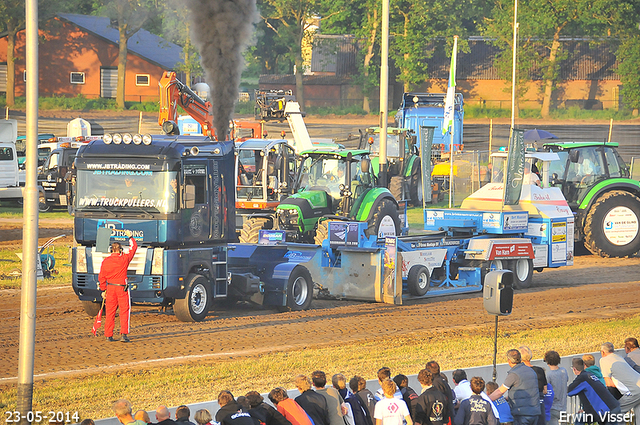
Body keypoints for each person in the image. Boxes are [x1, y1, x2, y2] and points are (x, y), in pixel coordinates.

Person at [98, 229, 137, 342]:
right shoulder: (124, 259)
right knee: (124, 311)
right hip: (121, 288)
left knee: (110, 312)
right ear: (120, 250)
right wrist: (130, 237)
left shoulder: (106, 261)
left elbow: (101, 277)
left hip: (110, 288)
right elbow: (133, 248)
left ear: (111, 250)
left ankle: (108, 335)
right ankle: (123, 334)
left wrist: (103, 289)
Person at [489, 349, 540, 425]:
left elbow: (500, 391)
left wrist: (486, 400)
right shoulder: (531, 370)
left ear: (509, 360)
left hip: (522, 413)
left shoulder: (514, 374)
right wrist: (508, 398)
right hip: (535, 411)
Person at [567, 358, 620, 425]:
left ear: (574, 369)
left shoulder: (582, 378)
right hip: (613, 406)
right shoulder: (590, 375)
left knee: (580, 418)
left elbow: (570, 391)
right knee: (580, 418)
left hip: (606, 410)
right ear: (584, 365)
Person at [599, 342, 640, 414]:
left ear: (602, 352)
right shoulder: (619, 357)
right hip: (637, 384)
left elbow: (609, 383)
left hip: (634, 390)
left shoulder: (604, 360)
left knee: (615, 411)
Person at [519, 346, 547, 425]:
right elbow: (545, 390)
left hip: (526, 406)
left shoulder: (520, 371)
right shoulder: (540, 370)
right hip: (539, 404)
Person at [543, 350, 567, 425]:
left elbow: (546, 390)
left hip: (552, 408)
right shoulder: (564, 371)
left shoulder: (548, 375)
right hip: (563, 407)